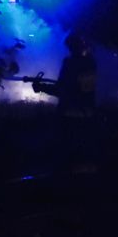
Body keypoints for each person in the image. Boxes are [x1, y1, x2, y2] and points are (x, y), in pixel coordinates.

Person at [34, 32, 98, 172]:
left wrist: (41, 87)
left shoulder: (70, 63)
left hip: (69, 117)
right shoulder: (90, 63)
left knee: (66, 157)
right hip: (87, 116)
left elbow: (61, 90)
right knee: (83, 156)